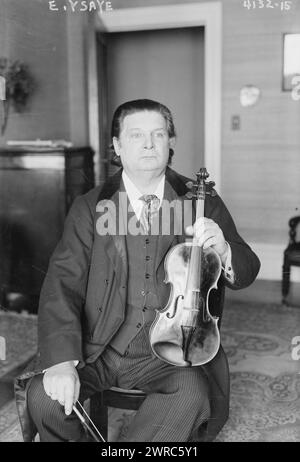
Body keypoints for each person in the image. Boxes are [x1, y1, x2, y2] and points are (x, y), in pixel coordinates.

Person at [19, 99, 260, 442]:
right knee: (43, 398)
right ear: (117, 146)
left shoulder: (200, 200)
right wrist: (60, 363)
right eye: (136, 135)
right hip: (98, 347)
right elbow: (62, 283)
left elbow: (249, 268)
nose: (149, 144)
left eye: (158, 134)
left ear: (170, 141)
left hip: (172, 351)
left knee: (192, 395)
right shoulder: (90, 206)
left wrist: (224, 250)